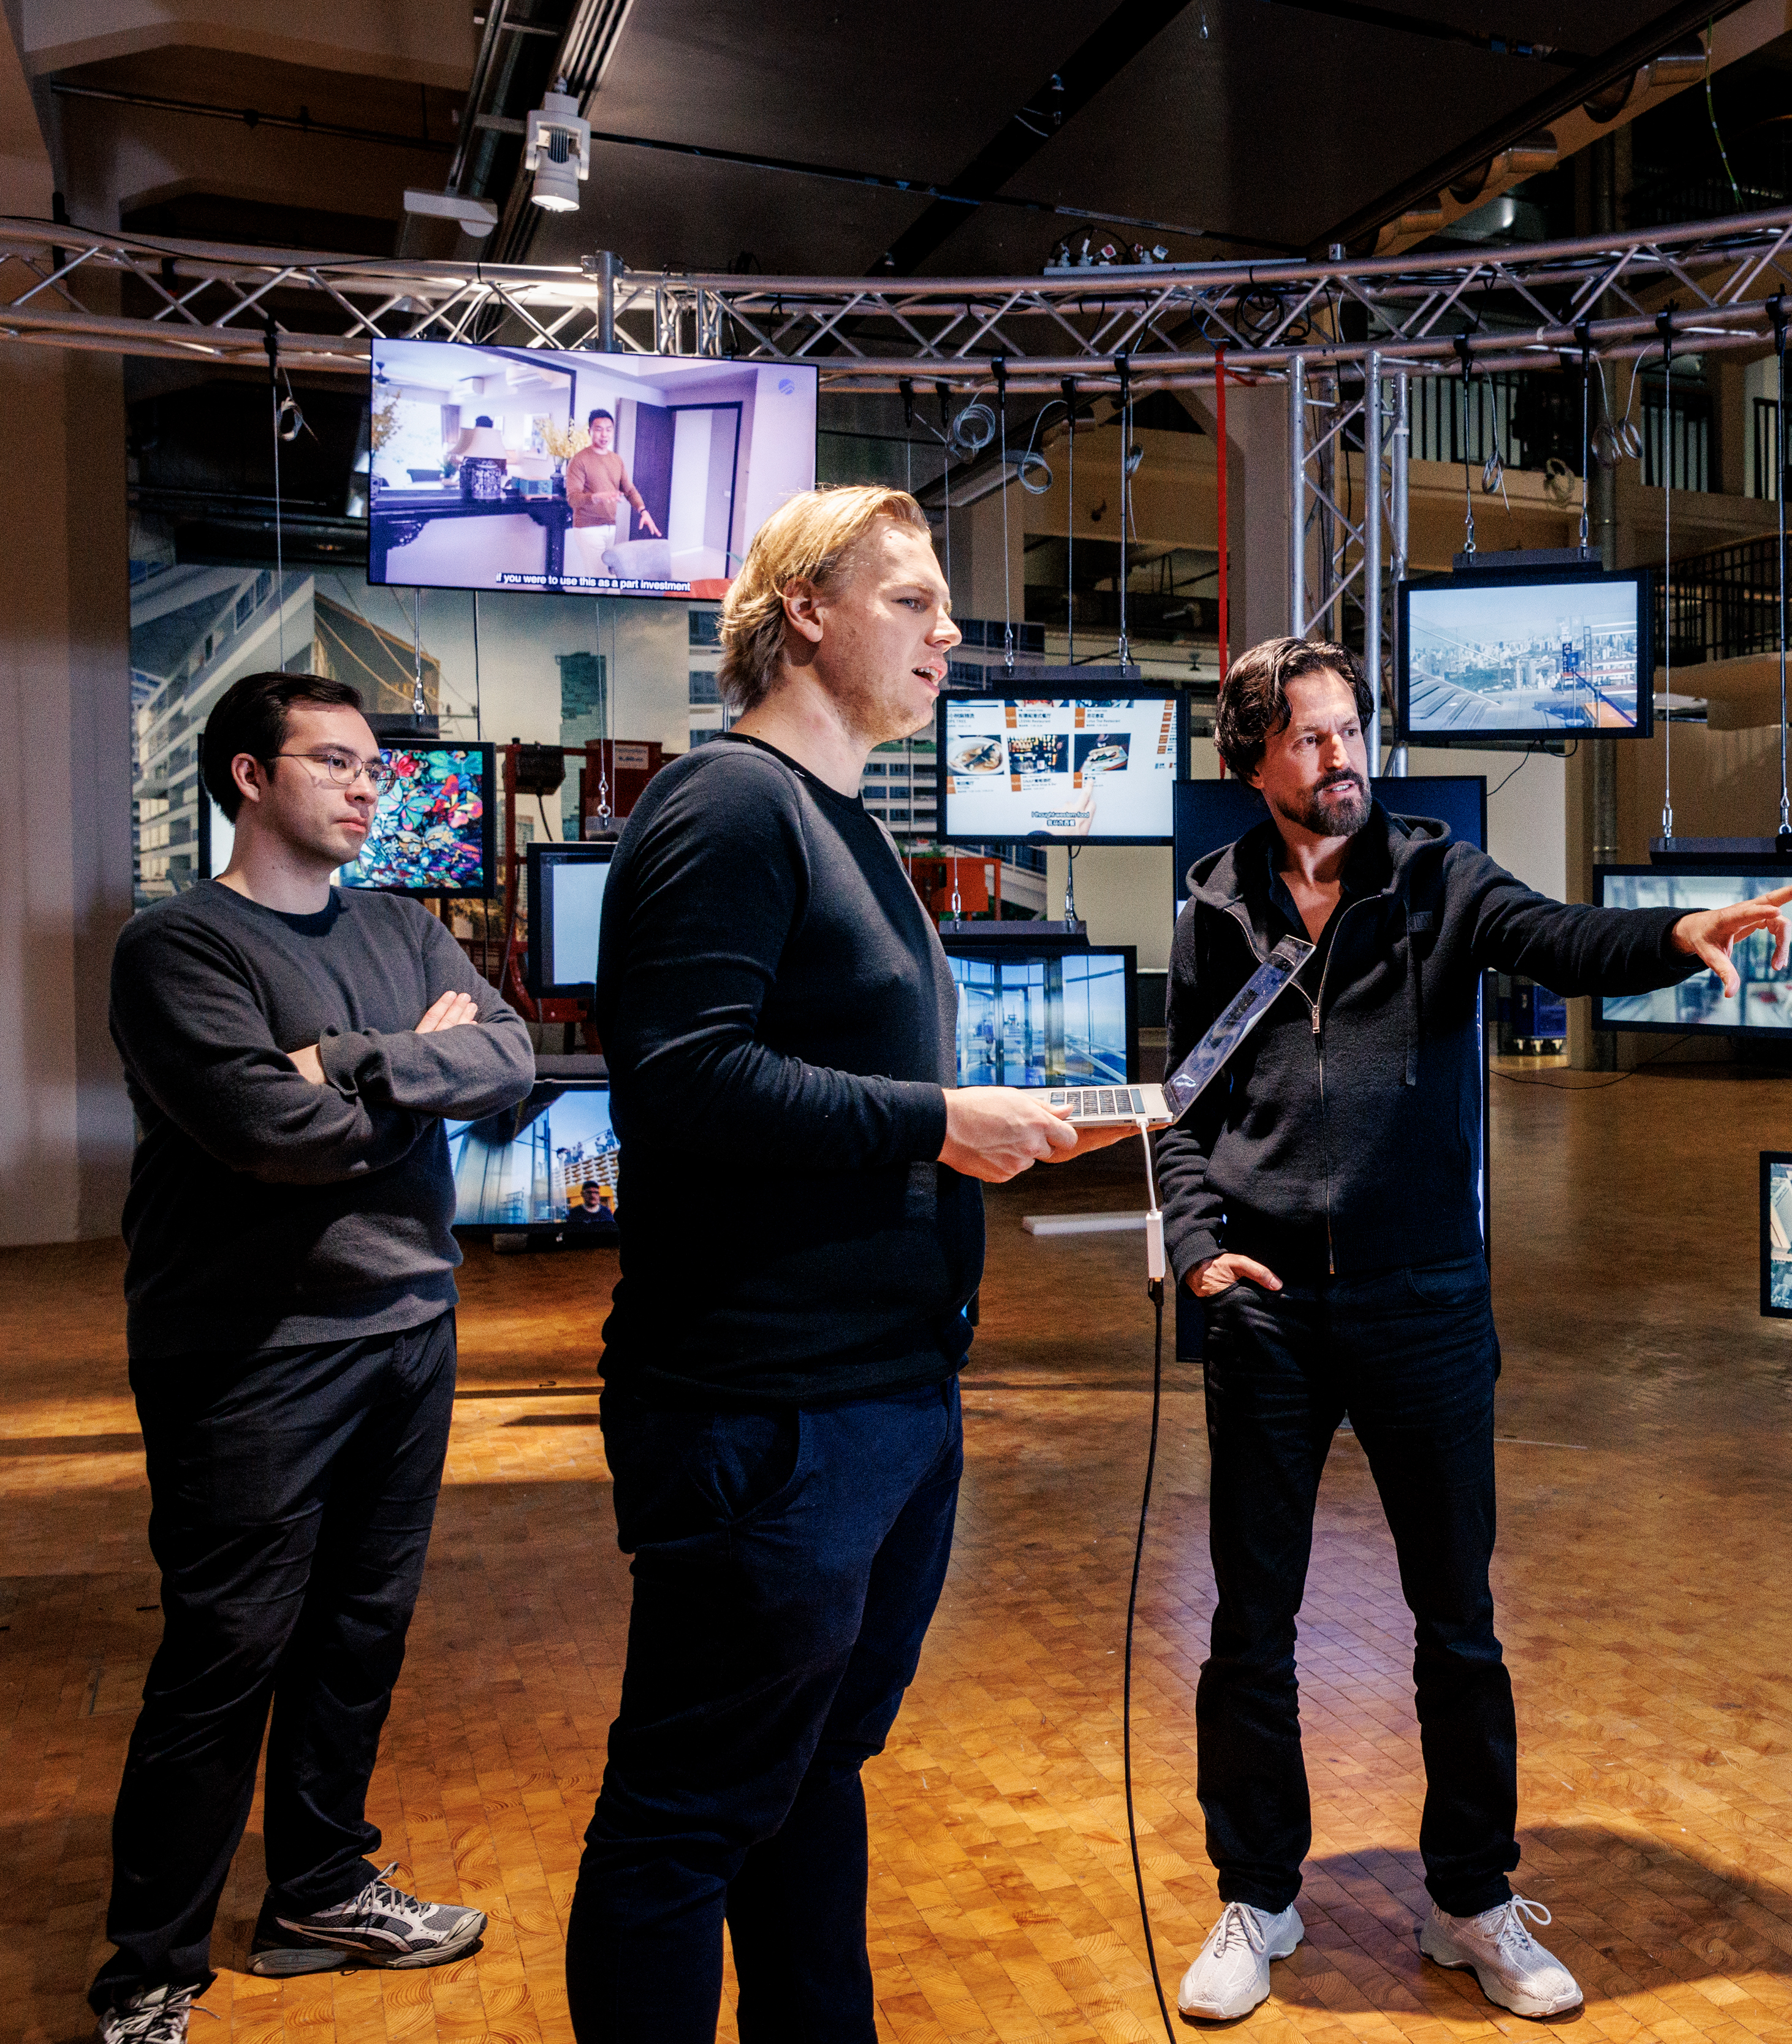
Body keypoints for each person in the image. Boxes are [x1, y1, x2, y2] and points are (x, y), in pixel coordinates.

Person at [1153, 637, 1792, 2023]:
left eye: (1349, 731)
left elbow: (1557, 937)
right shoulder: (1213, 908)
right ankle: (1258, 1897)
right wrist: (1201, 1255)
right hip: (1266, 1314)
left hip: (1424, 1304)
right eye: (1313, 739)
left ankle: (1471, 1899)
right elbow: (1184, 1112)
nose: (1342, 759)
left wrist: (1672, 937)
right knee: (1248, 1627)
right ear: (1252, 762)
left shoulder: (1437, 879)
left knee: (1458, 1625)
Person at [566, 485, 1124, 2044]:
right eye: (912, 600)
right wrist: (937, 1118)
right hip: (762, 1411)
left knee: (814, 1769)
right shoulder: (728, 806)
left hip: (877, 1400)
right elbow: (677, 1077)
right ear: (805, 608)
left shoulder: (845, 820)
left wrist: (961, 1126)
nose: (951, 632)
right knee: (687, 1812)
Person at [94, 672, 536, 2043]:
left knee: (359, 1630)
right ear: (246, 774)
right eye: (333, 762)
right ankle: (149, 1963)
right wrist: (417, 1071)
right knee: (226, 1646)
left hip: (409, 1327)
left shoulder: (404, 925)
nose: (366, 786)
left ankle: (318, 1889)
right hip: (249, 1351)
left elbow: (513, 1061)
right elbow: (265, 1133)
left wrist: (344, 1062)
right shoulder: (177, 948)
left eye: (370, 765)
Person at [563, 409, 660, 539]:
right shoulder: (579, 460)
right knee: (597, 561)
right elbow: (573, 499)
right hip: (587, 527)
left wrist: (643, 511)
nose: (604, 435)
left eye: (609, 430)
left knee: (607, 561)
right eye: (599, 429)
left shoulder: (616, 459)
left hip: (610, 525)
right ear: (589, 432)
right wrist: (596, 497)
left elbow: (630, 490)